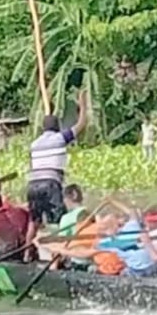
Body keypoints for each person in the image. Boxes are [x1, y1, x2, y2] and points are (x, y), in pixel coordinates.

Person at [25, 90, 90, 253]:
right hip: (50, 183)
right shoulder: (60, 137)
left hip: (32, 184)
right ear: (58, 127)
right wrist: (83, 105)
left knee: (35, 221)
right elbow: (81, 124)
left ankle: (27, 252)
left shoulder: (34, 144)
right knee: (60, 220)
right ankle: (60, 256)